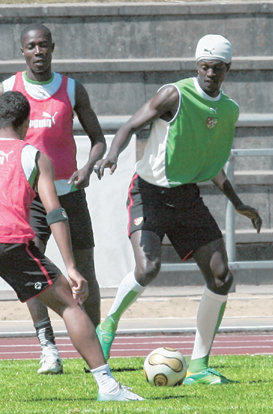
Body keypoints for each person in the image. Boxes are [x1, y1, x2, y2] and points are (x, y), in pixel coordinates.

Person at [94, 34, 262, 385]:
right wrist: (112, 154)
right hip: (149, 193)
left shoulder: (228, 110)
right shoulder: (175, 94)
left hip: (186, 197)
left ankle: (199, 367)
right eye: (204, 67)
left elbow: (211, 163)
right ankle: (108, 324)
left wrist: (238, 202)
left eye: (217, 68)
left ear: (227, 70)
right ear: (196, 65)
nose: (210, 73)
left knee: (222, 276)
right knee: (149, 267)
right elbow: (129, 125)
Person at [0, 90, 143, 401]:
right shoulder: (34, 156)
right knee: (68, 305)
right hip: (10, 242)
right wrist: (72, 267)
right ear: (26, 123)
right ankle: (108, 386)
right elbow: (54, 211)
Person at [0, 23, 105, 374]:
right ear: (23, 51)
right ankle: (48, 347)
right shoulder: (8, 89)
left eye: (44, 45)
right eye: (32, 46)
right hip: (28, 199)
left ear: (53, 47)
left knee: (84, 268)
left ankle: (96, 347)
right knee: (32, 270)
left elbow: (98, 139)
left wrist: (89, 167)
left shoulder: (72, 89)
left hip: (69, 194)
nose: (38, 52)